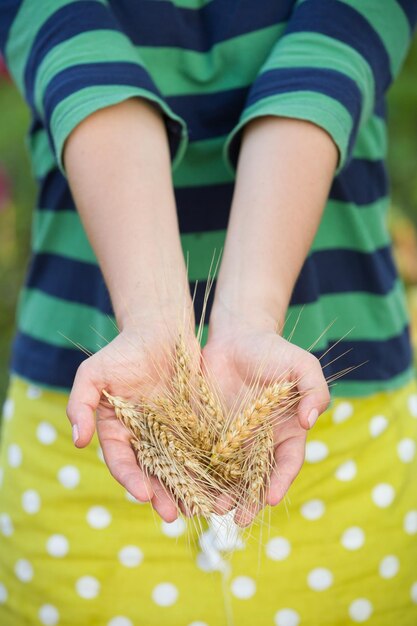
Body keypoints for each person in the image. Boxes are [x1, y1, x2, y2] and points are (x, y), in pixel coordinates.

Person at [1, 1, 417, 624]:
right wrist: (153, 322)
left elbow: (333, 55)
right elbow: (77, 60)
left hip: (327, 421)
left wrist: (251, 318)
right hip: (96, 422)